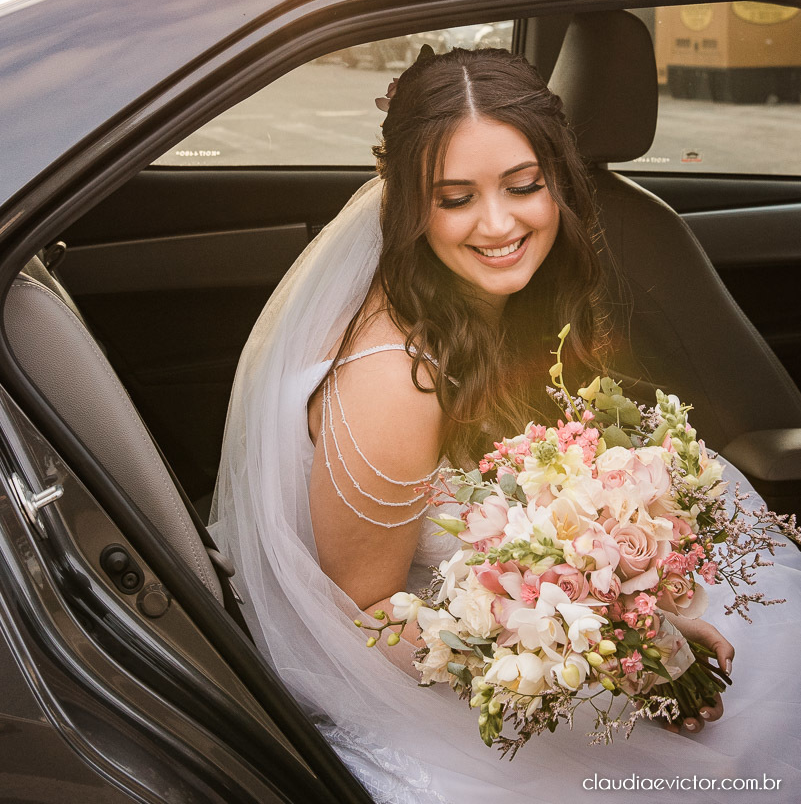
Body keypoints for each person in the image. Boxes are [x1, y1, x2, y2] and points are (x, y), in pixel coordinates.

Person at [210, 47, 801, 804]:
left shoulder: (498, 307)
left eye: (522, 187)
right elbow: (361, 620)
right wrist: (594, 647)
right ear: (406, 204)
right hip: (453, 703)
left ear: (558, 181)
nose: (497, 224)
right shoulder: (396, 381)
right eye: (454, 198)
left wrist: (637, 614)